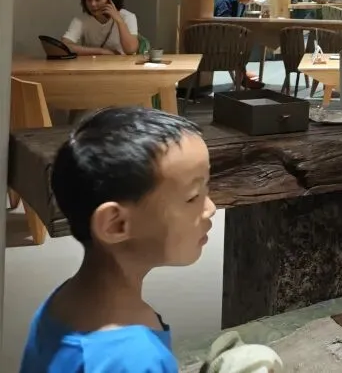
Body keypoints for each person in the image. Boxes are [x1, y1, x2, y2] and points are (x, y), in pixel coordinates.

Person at [20, 107, 215, 372]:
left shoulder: (63, 303)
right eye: (192, 197)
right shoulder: (134, 359)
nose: (210, 208)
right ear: (116, 224)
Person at [61, 0, 140, 56]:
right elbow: (65, 46)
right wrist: (101, 51)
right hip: (92, 62)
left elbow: (131, 50)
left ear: (110, 0)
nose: (93, 4)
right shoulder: (81, 19)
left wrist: (119, 21)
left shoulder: (127, 16)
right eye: (89, 0)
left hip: (121, 62)